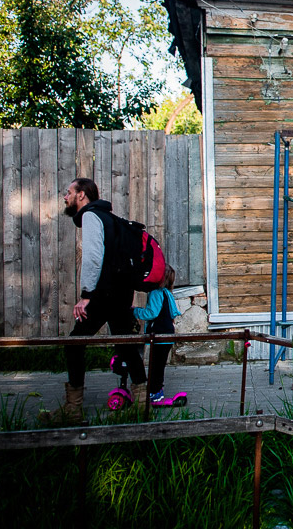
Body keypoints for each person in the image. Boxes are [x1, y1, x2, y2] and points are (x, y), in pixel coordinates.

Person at [42, 178, 148, 424]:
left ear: (81, 195)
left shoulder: (91, 216)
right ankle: (142, 407)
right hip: (123, 293)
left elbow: (92, 258)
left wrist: (86, 296)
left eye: (68, 192)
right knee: (126, 344)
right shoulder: (110, 218)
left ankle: (73, 409)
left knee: (74, 344)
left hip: (104, 293)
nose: (65, 197)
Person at [135, 264, 181, 404]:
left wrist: (135, 310)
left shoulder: (156, 293)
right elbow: (174, 312)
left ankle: (155, 393)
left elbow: (151, 313)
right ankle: (156, 390)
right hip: (168, 333)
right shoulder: (167, 293)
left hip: (159, 334)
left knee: (155, 365)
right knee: (159, 364)